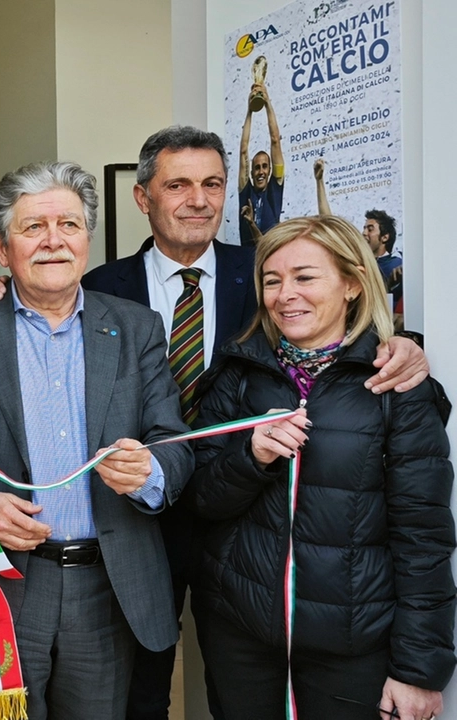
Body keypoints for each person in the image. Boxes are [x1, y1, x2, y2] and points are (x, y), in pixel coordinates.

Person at [82, 125, 430, 720]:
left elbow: (341, 338)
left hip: (248, 532)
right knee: (141, 687)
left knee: (240, 670)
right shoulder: (98, 288)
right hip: (141, 517)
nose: (199, 199)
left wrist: (407, 348)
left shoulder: (267, 270)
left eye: (213, 183)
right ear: (143, 198)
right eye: (179, 185)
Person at [191, 214, 455, 720]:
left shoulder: (395, 385)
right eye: (272, 280)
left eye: (305, 277)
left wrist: (419, 670)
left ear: (353, 283)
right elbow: (201, 500)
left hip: (352, 650)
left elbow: (423, 535)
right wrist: (252, 455)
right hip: (242, 641)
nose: (285, 294)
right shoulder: (237, 374)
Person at [0, 160, 193, 720]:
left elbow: (175, 441)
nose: (53, 241)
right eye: (33, 227)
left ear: (88, 237)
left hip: (106, 588)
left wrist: (151, 473)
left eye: (68, 224)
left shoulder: (135, 326)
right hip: (2, 585)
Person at [238, 86, 286, 245]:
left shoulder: (275, 188)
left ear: (270, 169)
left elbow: (275, 140)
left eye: (265, 166)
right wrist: (250, 110)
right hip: (246, 263)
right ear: (251, 173)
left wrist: (267, 104)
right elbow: (244, 150)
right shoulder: (246, 192)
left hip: (271, 259)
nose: (261, 171)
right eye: (257, 168)